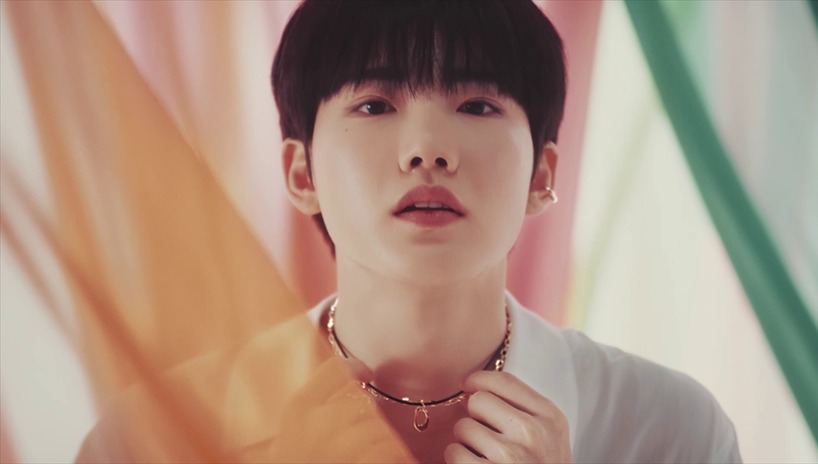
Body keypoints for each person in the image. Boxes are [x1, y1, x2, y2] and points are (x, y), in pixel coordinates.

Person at [77, 1, 741, 462]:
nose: (427, 150)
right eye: (374, 105)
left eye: (476, 105)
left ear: (542, 174)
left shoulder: (672, 430)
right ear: (301, 172)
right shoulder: (144, 439)